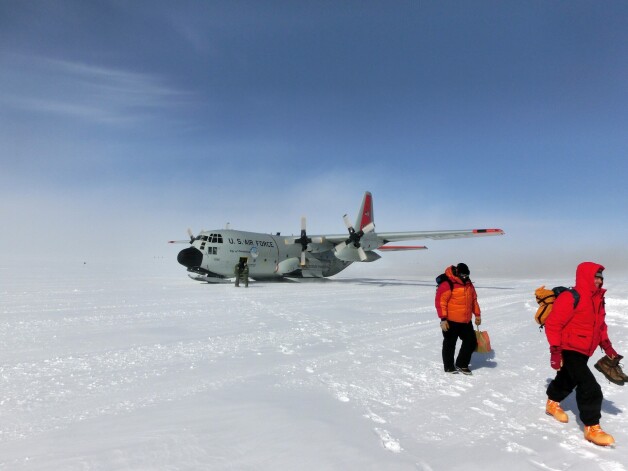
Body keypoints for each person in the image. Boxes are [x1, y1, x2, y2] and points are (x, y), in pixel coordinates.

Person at [544, 262, 619, 447]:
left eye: (601, 277)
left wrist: (608, 348)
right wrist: (555, 350)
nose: (599, 281)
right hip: (569, 348)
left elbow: (599, 327)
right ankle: (592, 427)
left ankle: (552, 402)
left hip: (585, 349)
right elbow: (553, 324)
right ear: (585, 277)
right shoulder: (571, 297)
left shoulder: (598, 299)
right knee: (590, 387)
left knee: (568, 378)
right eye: (595, 277)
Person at [435, 263, 481, 375]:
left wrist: (477, 314)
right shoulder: (448, 283)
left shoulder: (469, 284)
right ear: (457, 273)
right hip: (450, 321)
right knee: (450, 344)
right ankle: (449, 367)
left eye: (467, 275)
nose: (465, 277)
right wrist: (443, 319)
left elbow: (474, 300)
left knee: (471, 342)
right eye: (463, 275)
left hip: (465, 320)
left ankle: (461, 364)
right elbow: (441, 302)